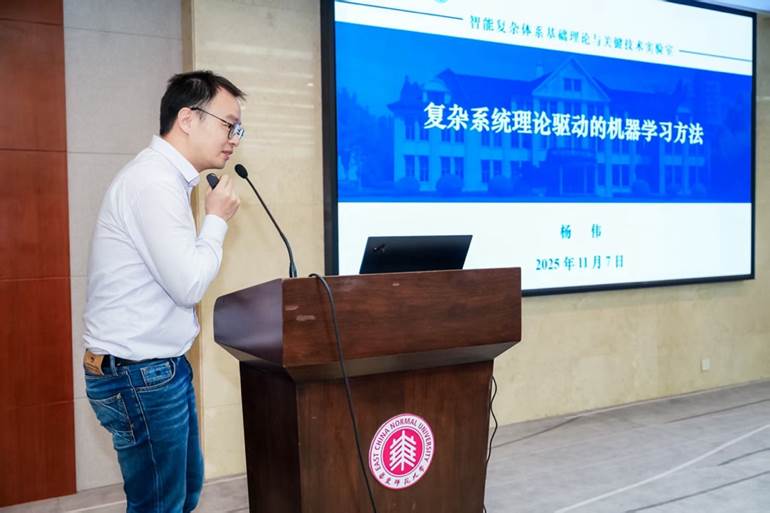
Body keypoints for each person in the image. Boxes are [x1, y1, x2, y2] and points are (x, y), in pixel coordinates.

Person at [82, 70, 244, 512]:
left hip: (158, 369)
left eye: (238, 129)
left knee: (183, 493)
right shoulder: (152, 182)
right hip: (139, 375)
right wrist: (216, 220)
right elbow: (188, 284)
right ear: (188, 118)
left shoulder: (165, 180)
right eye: (229, 124)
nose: (234, 139)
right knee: (160, 505)